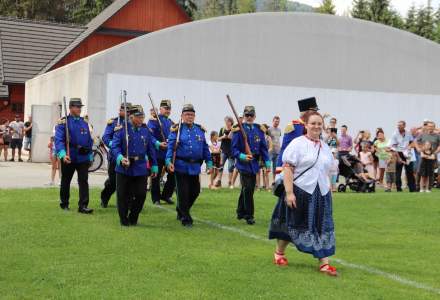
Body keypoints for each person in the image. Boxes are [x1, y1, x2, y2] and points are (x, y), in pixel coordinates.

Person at [269, 111, 337, 276]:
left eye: (319, 124)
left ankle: (324, 263)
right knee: (291, 224)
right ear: (306, 125)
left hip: (321, 193)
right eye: (313, 123)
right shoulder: (297, 144)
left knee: (322, 226)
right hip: (299, 191)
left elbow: (327, 171)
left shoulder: (326, 147)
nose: (316, 126)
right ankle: (279, 253)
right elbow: (288, 169)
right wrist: (289, 192)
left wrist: (329, 189)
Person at [165, 104, 212, 227]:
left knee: (195, 191)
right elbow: (170, 147)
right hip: (180, 165)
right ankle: (186, 218)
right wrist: (168, 161)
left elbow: (205, 148)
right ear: (182, 116)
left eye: (191, 115)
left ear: (194, 116)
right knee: (183, 193)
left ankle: (181, 209)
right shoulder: (177, 130)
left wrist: (209, 162)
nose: (189, 117)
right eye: (187, 114)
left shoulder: (199, 130)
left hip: (195, 166)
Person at [112, 105, 158, 226]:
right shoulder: (121, 130)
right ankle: (123, 219)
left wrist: (154, 165)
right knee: (122, 195)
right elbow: (114, 147)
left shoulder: (146, 130)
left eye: (142, 117)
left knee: (141, 194)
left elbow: (151, 149)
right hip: (124, 166)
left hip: (140, 167)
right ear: (131, 117)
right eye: (138, 117)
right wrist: (120, 158)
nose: (141, 120)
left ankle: (133, 216)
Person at [231, 106, 270, 225]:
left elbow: (263, 148)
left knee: (248, 189)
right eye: (247, 115)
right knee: (248, 189)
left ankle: (240, 211)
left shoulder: (259, 129)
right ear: (243, 116)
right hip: (243, 164)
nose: (249, 117)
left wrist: (267, 163)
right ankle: (249, 215)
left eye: (251, 115)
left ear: (254, 116)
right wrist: (242, 156)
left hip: (254, 163)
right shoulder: (238, 130)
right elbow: (234, 149)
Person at [55, 98, 94, 213]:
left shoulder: (85, 122)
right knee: (66, 181)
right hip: (69, 156)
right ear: (71, 108)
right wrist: (62, 154)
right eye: (76, 107)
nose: (79, 109)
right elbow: (59, 140)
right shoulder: (64, 122)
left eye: (80, 107)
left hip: (83, 157)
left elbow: (89, 141)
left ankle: (83, 206)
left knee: (83, 181)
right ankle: (64, 203)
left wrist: (90, 156)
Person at [100, 102, 132, 208]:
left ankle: (125, 204)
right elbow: (105, 137)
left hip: (128, 156)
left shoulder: (132, 123)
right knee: (113, 182)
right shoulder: (113, 122)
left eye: (125, 109)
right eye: (121, 109)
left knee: (127, 182)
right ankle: (105, 197)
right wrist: (113, 145)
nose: (121, 111)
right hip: (115, 157)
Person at [276, 97, 320, 173]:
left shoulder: (315, 127)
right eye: (314, 111)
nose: (316, 113)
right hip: (295, 170)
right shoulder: (293, 127)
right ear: (306, 112)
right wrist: (280, 169)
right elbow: (285, 149)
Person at [147, 99, 175, 205]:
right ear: (160, 109)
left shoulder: (170, 122)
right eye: (166, 108)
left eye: (169, 109)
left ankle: (166, 195)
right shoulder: (153, 120)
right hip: (157, 153)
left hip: (168, 153)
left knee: (173, 174)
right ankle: (156, 198)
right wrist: (158, 143)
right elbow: (150, 136)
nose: (168, 111)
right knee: (156, 176)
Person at [388, 121, 416, 192]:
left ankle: (412, 189)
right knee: (398, 172)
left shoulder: (408, 133)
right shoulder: (394, 134)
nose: (398, 126)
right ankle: (399, 188)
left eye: (400, 125)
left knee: (410, 171)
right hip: (398, 153)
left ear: (404, 126)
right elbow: (393, 147)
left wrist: (410, 146)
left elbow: (412, 142)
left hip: (408, 153)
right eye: (398, 125)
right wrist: (398, 158)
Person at [415, 121, 440, 191]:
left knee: (430, 173)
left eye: (432, 126)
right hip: (423, 156)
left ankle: (429, 188)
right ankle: (419, 187)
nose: (430, 128)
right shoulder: (422, 134)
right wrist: (418, 149)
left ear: (434, 127)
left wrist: (435, 153)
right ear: (427, 127)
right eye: (429, 126)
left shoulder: (437, 136)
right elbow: (416, 141)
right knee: (420, 172)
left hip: (432, 156)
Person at [217, 116, 235, 188]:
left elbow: (235, 139)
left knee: (230, 167)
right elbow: (218, 139)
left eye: (228, 121)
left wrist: (230, 135)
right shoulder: (222, 129)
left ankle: (230, 182)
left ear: (231, 122)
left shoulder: (234, 129)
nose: (226, 123)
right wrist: (223, 137)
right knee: (221, 166)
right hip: (223, 150)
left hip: (231, 151)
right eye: (225, 121)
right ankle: (219, 181)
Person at [256, 124, 272, 191]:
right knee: (258, 172)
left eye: (263, 128)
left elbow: (271, 147)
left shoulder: (268, 137)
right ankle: (258, 187)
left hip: (265, 157)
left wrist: (266, 152)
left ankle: (267, 187)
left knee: (266, 172)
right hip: (258, 156)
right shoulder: (257, 136)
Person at [268, 116, 281, 181]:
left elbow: (278, 139)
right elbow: (267, 139)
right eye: (276, 121)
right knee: (268, 167)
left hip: (277, 151)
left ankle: (274, 181)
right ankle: (266, 184)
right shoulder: (269, 129)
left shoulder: (279, 130)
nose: (277, 123)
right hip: (271, 151)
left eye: (278, 122)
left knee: (275, 168)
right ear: (273, 121)